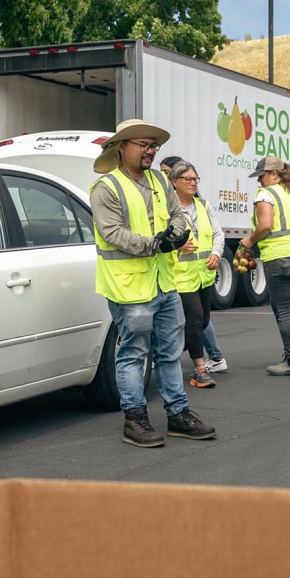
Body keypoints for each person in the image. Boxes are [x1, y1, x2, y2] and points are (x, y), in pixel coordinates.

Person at [90, 118, 217, 446]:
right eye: (143, 145)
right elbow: (113, 233)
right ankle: (134, 420)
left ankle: (178, 414)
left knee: (170, 352)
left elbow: (177, 215)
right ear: (122, 148)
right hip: (129, 287)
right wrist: (156, 244)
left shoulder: (162, 182)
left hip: (164, 283)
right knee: (133, 352)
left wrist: (176, 232)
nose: (150, 151)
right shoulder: (107, 187)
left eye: (153, 146)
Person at [239, 155, 290, 375]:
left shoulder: (266, 193)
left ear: (274, 174)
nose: (258, 181)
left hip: (281, 258)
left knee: (285, 310)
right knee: (282, 306)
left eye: (261, 176)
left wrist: (249, 241)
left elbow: (265, 225)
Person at [161, 156, 228, 373]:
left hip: (204, 275)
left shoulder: (204, 206)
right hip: (180, 277)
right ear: (174, 182)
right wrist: (176, 245)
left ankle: (168, 353)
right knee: (196, 319)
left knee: (203, 319)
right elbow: (157, 237)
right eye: (187, 178)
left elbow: (218, 233)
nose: (193, 182)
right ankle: (200, 368)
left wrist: (217, 254)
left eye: (195, 178)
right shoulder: (166, 209)